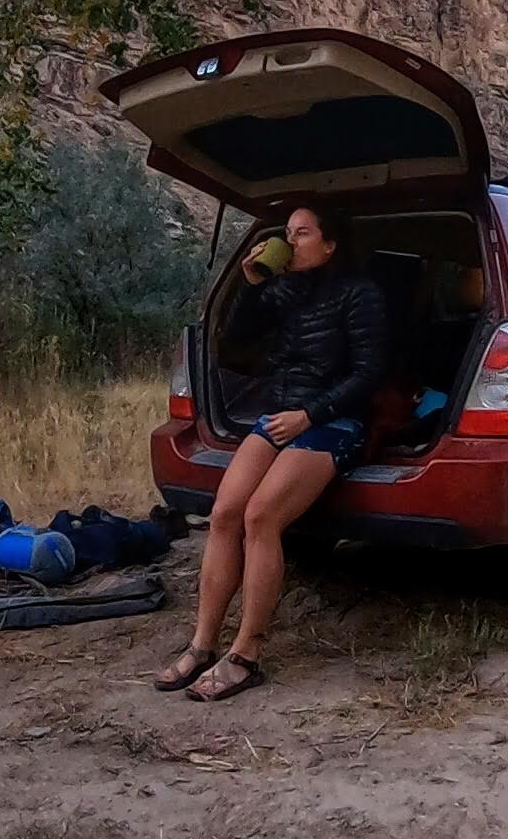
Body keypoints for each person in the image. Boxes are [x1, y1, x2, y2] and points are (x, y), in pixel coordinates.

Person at [155, 204, 387, 701]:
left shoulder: (360, 295)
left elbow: (369, 374)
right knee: (223, 514)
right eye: (288, 233)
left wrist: (312, 414)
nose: (291, 241)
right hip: (278, 416)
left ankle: (246, 655)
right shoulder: (284, 289)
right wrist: (250, 282)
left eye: (302, 234)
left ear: (330, 244)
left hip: (333, 420)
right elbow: (233, 341)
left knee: (261, 517)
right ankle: (201, 646)